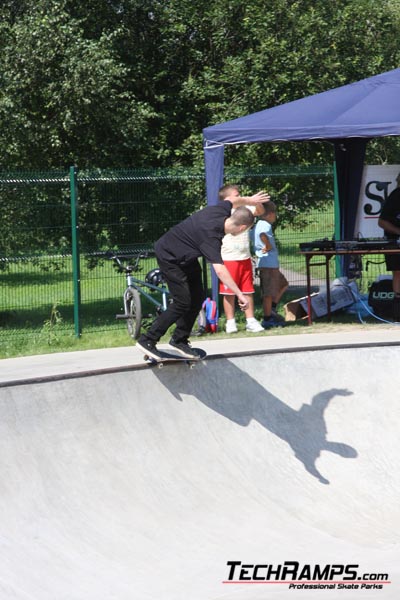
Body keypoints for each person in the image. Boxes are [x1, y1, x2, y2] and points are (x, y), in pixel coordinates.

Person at [136, 191, 270, 359]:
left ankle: (179, 340)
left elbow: (231, 199)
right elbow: (220, 270)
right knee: (182, 302)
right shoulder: (211, 237)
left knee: (198, 296)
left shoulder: (220, 211)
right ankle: (148, 339)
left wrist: (250, 200)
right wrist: (240, 294)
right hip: (169, 256)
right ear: (243, 228)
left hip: (186, 255)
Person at [218, 184, 264, 333]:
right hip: (228, 258)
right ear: (227, 198)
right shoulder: (221, 212)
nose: (240, 197)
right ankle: (230, 323)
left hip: (244, 257)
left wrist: (256, 201)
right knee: (229, 292)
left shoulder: (244, 209)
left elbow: (260, 211)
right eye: (236, 195)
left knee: (248, 290)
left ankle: (250, 320)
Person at [253, 201, 288, 328]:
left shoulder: (259, 224)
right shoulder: (264, 225)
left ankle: (272, 309)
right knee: (268, 292)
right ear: (270, 214)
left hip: (270, 263)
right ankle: (267, 318)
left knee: (283, 284)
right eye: (275, 214)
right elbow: (262, 235)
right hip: (268, 263)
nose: (275, 217)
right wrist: (267, 246)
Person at [378, 171, 400, 301]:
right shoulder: (396, 196)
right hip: (394, 242)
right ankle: (398, 307)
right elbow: (382, 222)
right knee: (398, 271)